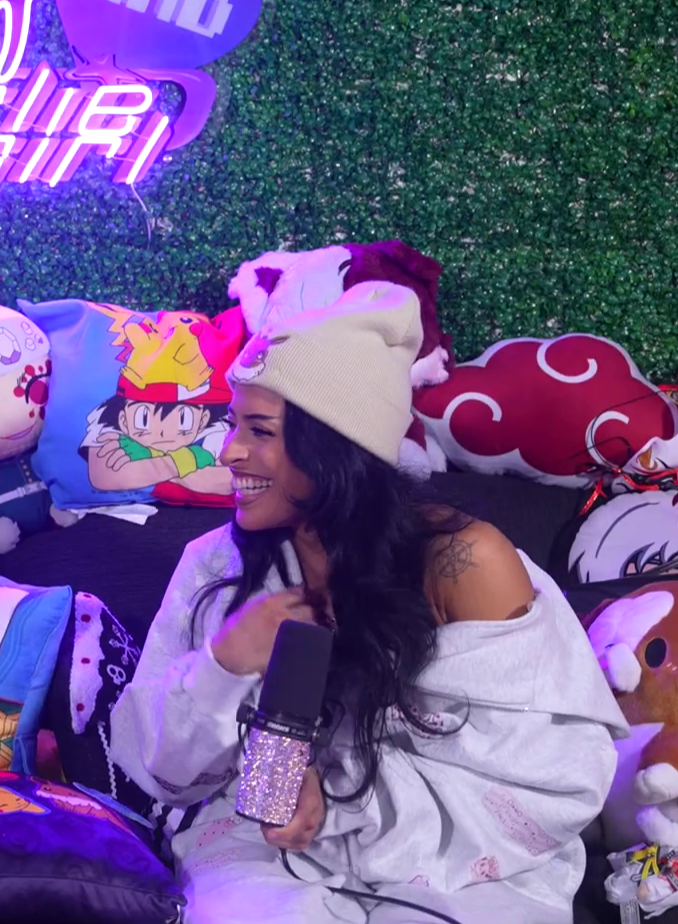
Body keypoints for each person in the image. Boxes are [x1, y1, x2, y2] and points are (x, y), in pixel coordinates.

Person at [109, 282, 628, 924]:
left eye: (259, 430)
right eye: (234, 424)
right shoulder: (217, 564)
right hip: (261, 845)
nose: (228, 451)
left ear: (335, 448)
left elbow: (540, 778)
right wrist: (224, 665)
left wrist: (337, 801)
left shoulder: (464, 563)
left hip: (458, 856)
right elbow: (162, 775)